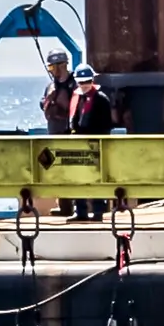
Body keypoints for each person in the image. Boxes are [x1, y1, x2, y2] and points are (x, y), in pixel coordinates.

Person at [66, 65, 115, 221]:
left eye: (87, 81)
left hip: (95, 143)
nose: (84, 85)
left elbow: (107, 124)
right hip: (78, 143)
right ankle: (80, 211)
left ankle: (98, 211)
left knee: (96, 178)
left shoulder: (101, 99)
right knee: (78, 178)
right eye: (81, 82)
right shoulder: (76, 97)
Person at [40, 51, 77, 134]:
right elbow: (45, 109)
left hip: (72, 135)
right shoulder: (50, 87)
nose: (49, 71)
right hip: (54, 135)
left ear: (62, 65)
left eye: (51, 67)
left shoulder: (75, 85)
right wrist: (49, 99)